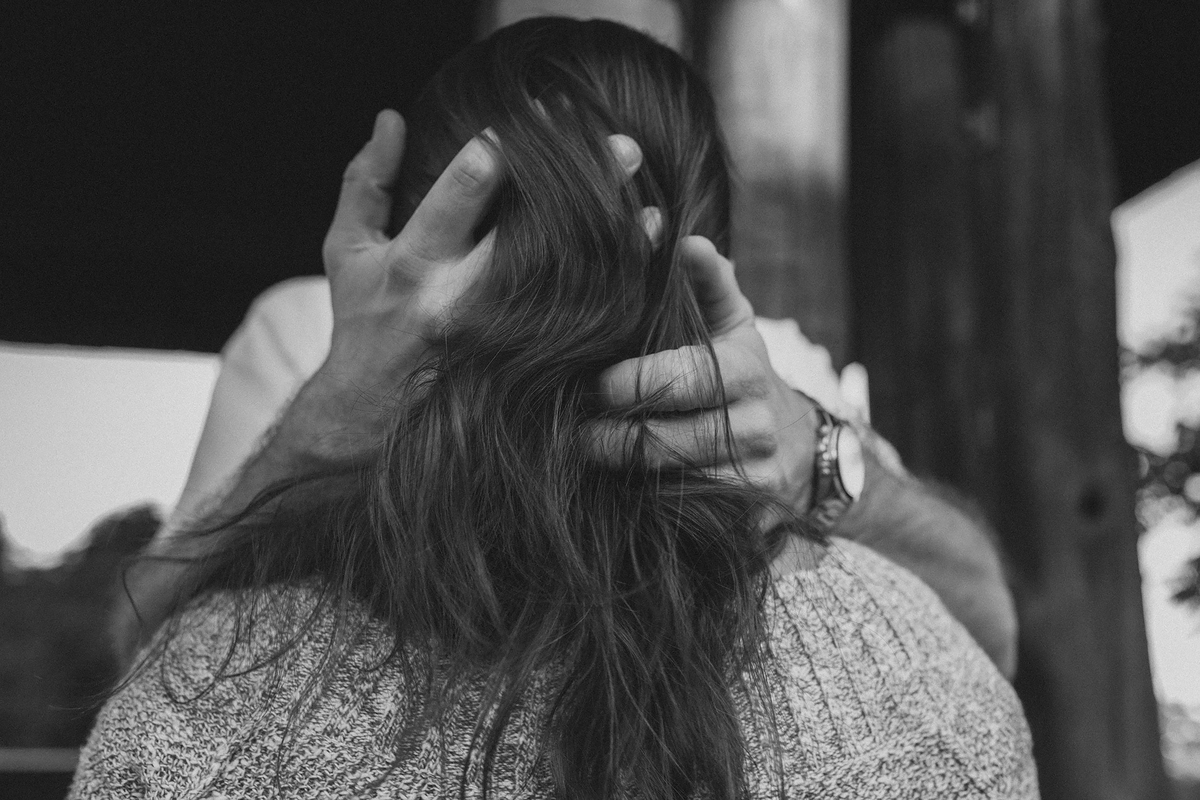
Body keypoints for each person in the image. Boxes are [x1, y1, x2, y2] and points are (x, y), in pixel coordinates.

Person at [77, 19, 1035, 799]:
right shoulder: (307, 332)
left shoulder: (770, 361)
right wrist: (331, 414)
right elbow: (147, 644)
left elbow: (990, 613)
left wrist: (816, 449)